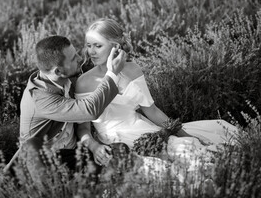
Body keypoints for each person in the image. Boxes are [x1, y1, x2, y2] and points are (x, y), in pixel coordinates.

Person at [75, 18, 238, 168]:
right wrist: (94, 146)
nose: (91, 52)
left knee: (191, 150)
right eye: (89, 45)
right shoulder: (83, 82)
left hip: (143, 130)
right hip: (114, 141)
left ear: (115, 46)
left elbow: (151, 110)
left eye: (98, 46)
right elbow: (83, 127)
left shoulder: (132, 69)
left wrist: (185, 135)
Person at [4, 35, 127, 184]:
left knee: (119, 150)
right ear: (58, 71)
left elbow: (83, 126)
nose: (80, 58)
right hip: (43, 165)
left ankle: (89, 188)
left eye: (76, 53)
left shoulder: (69, 78)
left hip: (72, 156)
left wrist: (94, 147)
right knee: (31, 146)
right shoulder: (39, 98)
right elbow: (90, 110)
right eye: (74, 58)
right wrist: (112, 73)